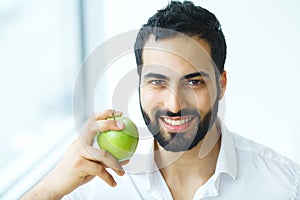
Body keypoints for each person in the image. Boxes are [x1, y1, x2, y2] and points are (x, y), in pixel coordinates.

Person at [22, 1, 300, 199]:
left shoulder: (284, 186)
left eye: (194, 82)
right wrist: (48, 191)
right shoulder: (93, 183)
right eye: (157, 81)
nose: (174, 105)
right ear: (139, 85)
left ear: (221, 84)